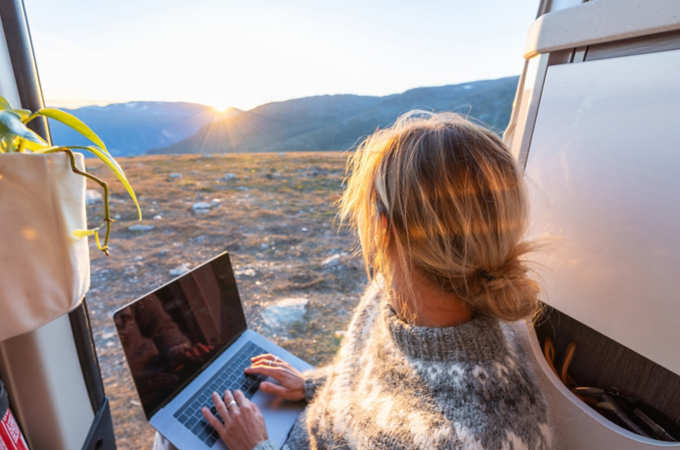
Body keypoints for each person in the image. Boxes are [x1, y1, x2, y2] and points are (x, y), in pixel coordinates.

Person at [174, 112, 553, 450]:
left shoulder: (475, 438)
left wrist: (254, 446)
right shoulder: (394, 297)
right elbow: (381, 385)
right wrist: (313, 384)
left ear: (385, 227)